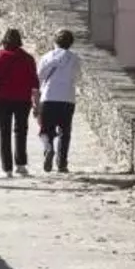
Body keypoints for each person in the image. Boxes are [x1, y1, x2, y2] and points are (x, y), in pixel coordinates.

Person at [0, 28, 39, 177]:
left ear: (4, 40)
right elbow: (34, 81)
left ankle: (7, 169)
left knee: (4, 132)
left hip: (3, 99)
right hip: (23, 99)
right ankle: (21, 165)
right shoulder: (28, 58)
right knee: (21, 131)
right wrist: (36, 102)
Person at [34, 28, 82, 173]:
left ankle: (49, 148)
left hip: (48, 97)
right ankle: (62, 164)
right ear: (71, 43)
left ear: (55, 41)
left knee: (46, 130)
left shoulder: (47, 57)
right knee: (64, 132)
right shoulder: (75, 59)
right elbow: (77, 77)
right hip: (67, 98)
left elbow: (39, 77)